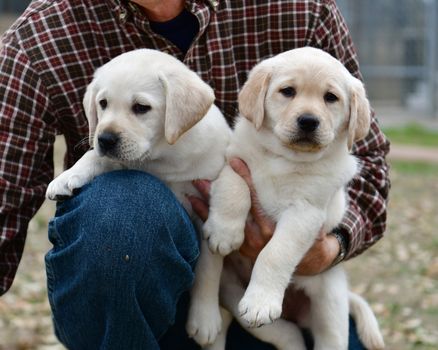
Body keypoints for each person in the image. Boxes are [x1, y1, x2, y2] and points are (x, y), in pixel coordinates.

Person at [0, 0, 390, 349]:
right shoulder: (41, 35)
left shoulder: (303, 9)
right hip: (119, 286)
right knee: (122, 207)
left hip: (266, 291)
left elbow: (368, 162)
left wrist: (327, 248)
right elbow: (4, 192)